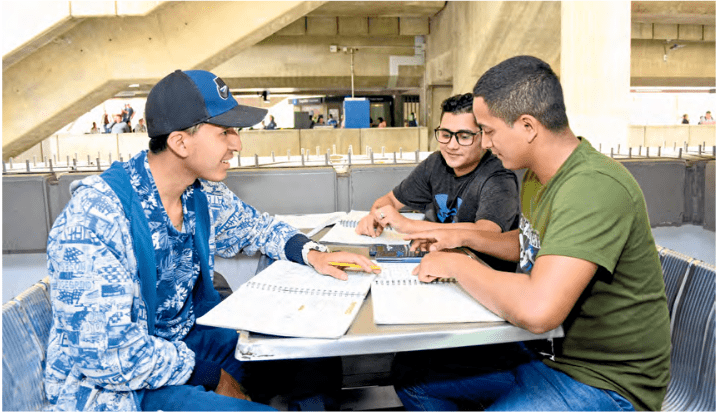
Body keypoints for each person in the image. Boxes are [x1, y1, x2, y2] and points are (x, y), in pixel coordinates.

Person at [44, 69, 380, 411]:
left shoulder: (199, 193)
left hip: (181, 342)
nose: (237, 143)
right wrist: (211, 376)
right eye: (225, 132)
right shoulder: (94, 220)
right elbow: (108, 356)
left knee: (314, 352)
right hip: (117, 385)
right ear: (180, 142)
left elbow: (258, 228)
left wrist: (312, 253)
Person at [394, 56, 670, 411]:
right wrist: (461, 239)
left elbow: (539, 309)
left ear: (527, 126)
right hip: (543, 354)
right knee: (415, 380)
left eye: (489, 131)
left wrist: (457, 266)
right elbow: (532, 245)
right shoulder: (537, 175)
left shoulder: (593, 187)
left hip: (603, 381)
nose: (486, 142)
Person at [355, 93, 520, 273]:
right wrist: (377, 216)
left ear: (484, 137)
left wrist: (410, 226)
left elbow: (487, 232)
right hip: (439, 263)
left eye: (464, 136)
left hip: (483, 274)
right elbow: (389, 200)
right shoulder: (436, 163)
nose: (451, 145)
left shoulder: (499, 176)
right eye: (445, 134)